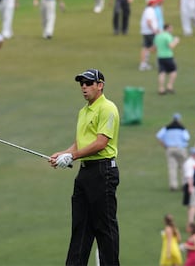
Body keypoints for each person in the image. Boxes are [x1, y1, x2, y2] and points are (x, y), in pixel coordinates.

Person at [49, 68, 120, 266]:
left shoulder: (107, 108)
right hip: (86, 172)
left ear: (100, 85)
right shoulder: (83, 111)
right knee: (80, 227)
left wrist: (72, 156)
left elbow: (101, 143)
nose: (84, 87)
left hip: (103, 171)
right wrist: (64, 154)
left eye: (88, 83)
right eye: (81, 83)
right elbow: (80, 143)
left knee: (105, 228)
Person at [156, 113, 190, 191]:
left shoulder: (167, 128)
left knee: (172, 167)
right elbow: (187, 138)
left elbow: (159, 136)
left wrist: (165, 145)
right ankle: (184, 184)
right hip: (180, 148)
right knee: (183, 167)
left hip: (170, 148)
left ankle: (173, 185)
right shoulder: (182, 129)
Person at [154, 23, 180, 94]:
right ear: (167, 28)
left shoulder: (158, 36)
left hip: (160, 57)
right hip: (168, 56)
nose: (172, 30)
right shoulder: (168, 36)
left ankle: (161, 88)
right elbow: (171, 46)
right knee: (173, 71)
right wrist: (176, 41)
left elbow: (155, 48)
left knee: (161, 73)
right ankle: (169, 86)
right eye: (171, 28)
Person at [138, 0, 160, 71]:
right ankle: (159, 62)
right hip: (150, 32)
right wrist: (154, 30)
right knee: (155, 47)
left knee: (146, 47)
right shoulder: (150, 10)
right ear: (152, 3)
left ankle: (144, 63)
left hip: (147, 32)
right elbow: (149, 21)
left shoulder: (148, 10)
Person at [182, 147, 195, 224]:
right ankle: (191, 223)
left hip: (193, 185)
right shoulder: (190, 163)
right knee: (193, 205)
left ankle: (191, 222)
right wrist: (191, 187)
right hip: (192, 186)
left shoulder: (194, 162)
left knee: (191, 205)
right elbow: (189, 176)